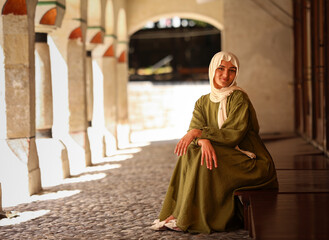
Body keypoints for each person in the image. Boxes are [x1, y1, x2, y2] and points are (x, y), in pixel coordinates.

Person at [150, 51, 278, 234]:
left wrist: (199, 134)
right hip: (228, 155)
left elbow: (234, 134)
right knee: (190, 153)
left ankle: (190, 216)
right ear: (212, 70)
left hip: (251, 161)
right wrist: (202, 139)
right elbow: (193, 132)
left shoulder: (238, 98)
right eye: (221, 68)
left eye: (232, 70)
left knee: (205, 159)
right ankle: (180, 212)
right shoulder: (202, 102)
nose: (226, 75)